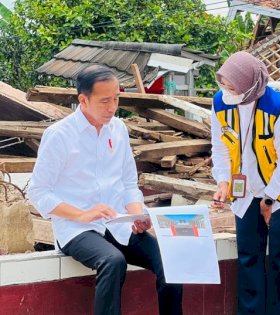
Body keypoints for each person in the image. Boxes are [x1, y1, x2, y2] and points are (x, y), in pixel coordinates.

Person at [27, 65, 183, 315]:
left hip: (119, 223)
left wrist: (137, 215)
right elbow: (37, 191)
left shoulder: (118, 129)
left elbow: (129, 183)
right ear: (83, 100)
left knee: (171, 260)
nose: (112, 107)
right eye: (105, 101)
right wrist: (83, 214)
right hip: (77, 229)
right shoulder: (59, 135)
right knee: (113, 261)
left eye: (116, 99)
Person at [210, 51, 280, 315]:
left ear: (250, 85)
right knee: (248, 255)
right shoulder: (221, 103)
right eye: (223, 85)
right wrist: (222, 181)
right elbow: (220, 148)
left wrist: (269, 199)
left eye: (232, 87)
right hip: (247, 190)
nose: (226, 92)